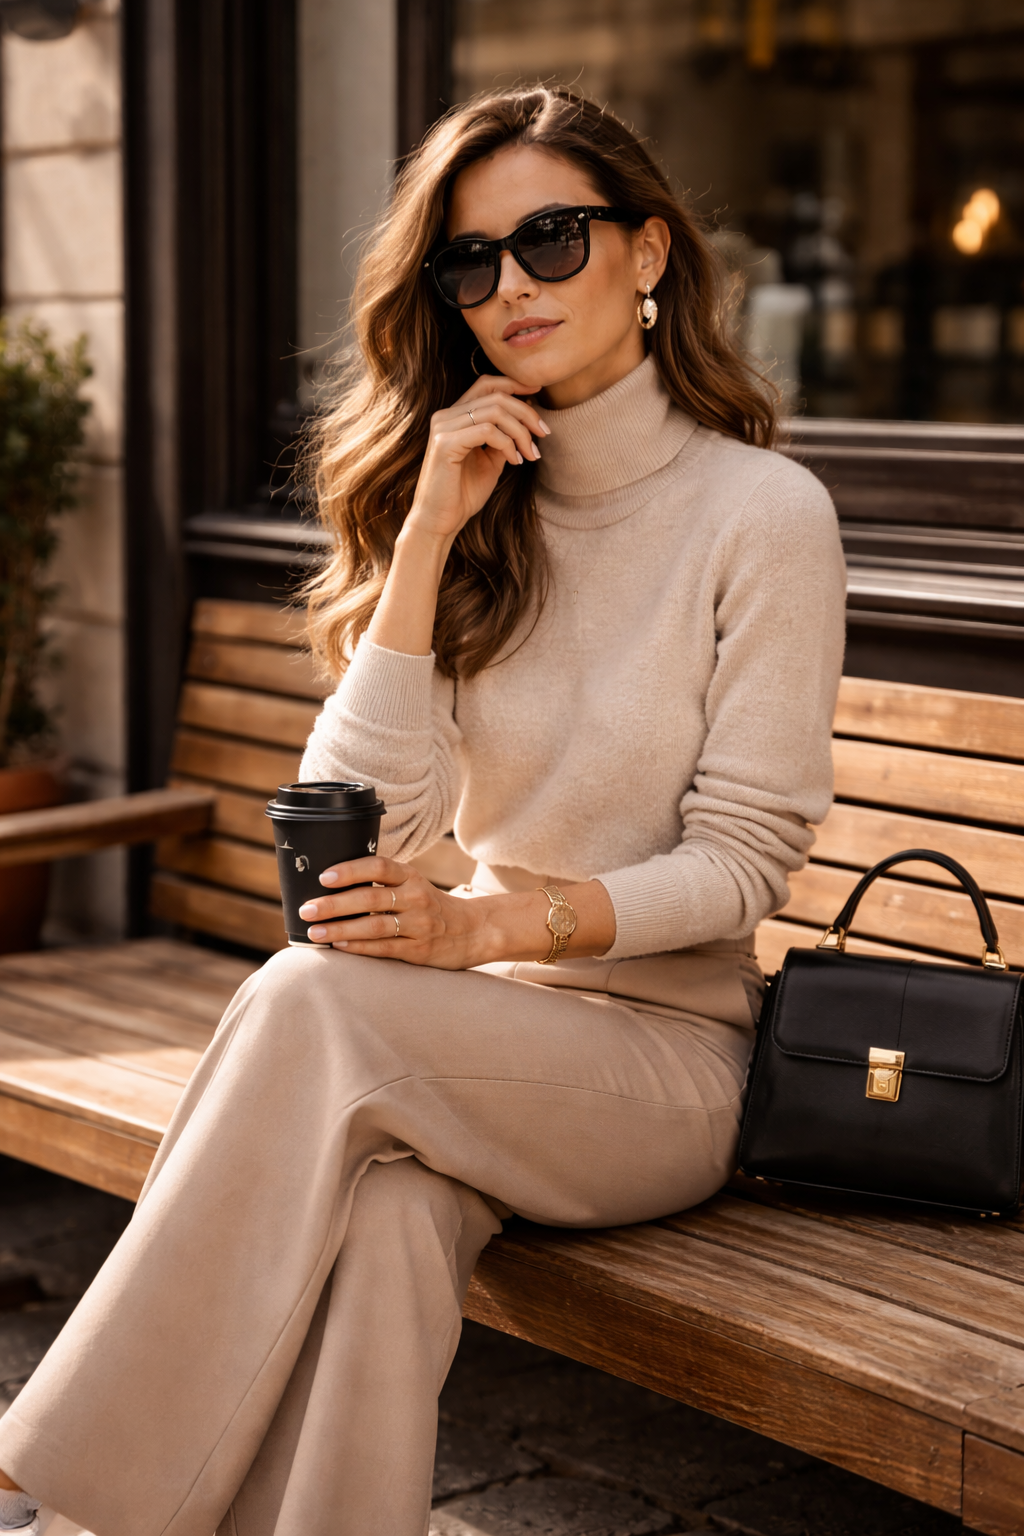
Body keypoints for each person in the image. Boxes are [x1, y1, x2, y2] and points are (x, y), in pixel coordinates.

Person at [0, 86, 845, 1536]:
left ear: (649, 255)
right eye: (473, 261)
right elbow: (360, 817)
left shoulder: (762, 515)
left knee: (311, 1002)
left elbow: (745, 864)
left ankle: (56, 1487)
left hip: (667, 1068)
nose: (512, 285)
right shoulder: (475, 512)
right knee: (388, 1225)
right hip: (466, 1040)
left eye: (553, 241)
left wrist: (492, 927)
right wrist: (429, 536)